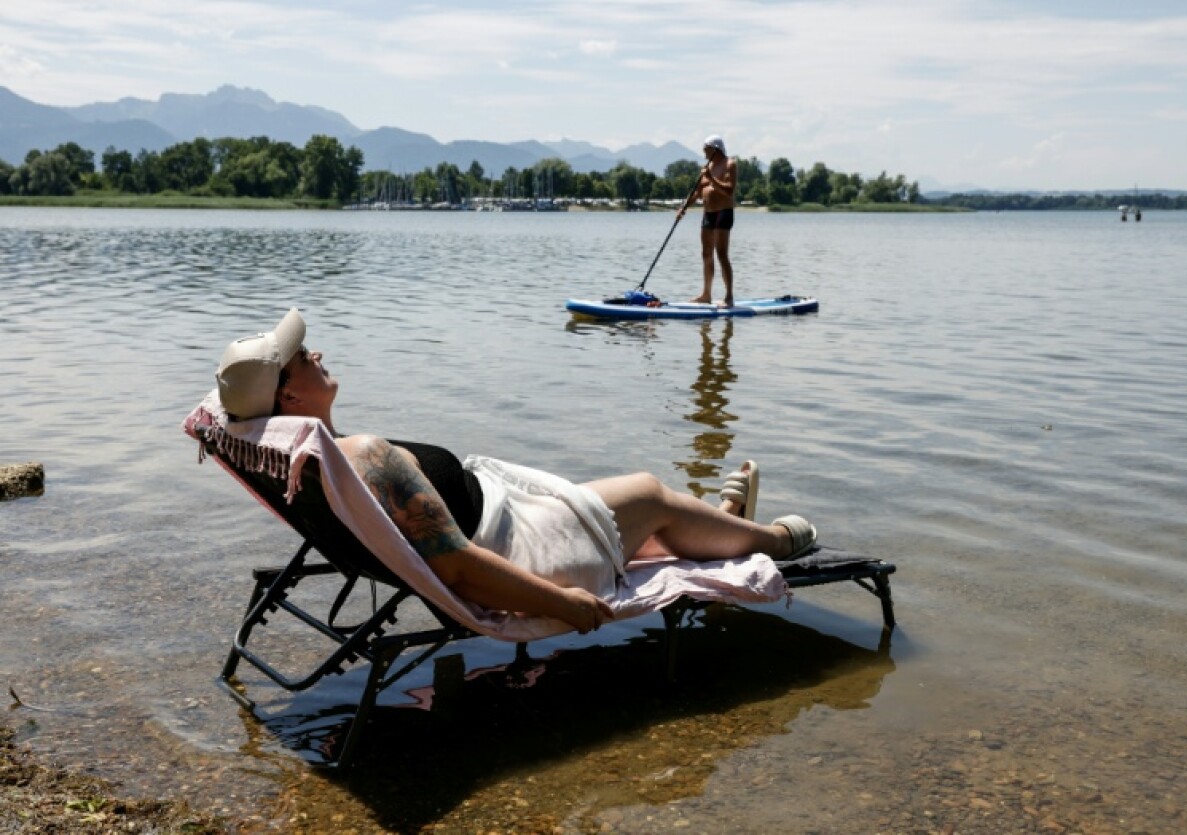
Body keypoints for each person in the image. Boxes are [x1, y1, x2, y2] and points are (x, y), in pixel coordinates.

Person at [214, 309, 816, 635]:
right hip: (525, 557)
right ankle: (772, 541)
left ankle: (718, 525)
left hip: (515, 520)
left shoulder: (300, 457)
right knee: (650, 494)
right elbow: (460, 571)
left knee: (626, 500)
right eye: (302, 357)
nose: (316, 353)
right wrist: (566, 604)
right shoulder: (363, 458)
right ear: (289, 399)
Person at [677, 135, 739, 306]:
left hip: (723, 212)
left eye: (706, 150)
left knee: (721, 254)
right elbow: (696, 193)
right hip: (708, 214)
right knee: (706, 254)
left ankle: (729, 297)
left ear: (715, 149)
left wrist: (711, 178)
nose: (704, 153)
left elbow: (729, 190)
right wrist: (684, 207)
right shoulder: (707, 167)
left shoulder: (730, 164)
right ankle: (706, 294)